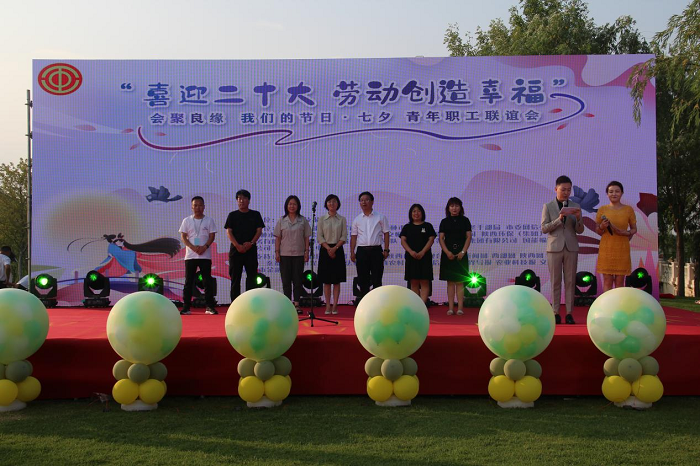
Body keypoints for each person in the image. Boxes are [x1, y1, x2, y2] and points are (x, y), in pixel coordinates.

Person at [541, 175, 584, 324]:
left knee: (570, 281)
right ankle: (555, 312)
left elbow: (580, 230)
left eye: (568, 190)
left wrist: (578, 218)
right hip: (554, 248)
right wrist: (559, 220)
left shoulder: (575, 206)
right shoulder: (548, 206)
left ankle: (569, 313)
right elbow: (544, 228)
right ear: (556, 189)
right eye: (563, 189)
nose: (566, 192)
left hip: (571, 247)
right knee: (555, 281)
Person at [595, 181, 637, 292]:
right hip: (606, 249)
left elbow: (634, 229)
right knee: (607, 281)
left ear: (622, 193)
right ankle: (607, 303)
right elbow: (598, 230)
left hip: (622, 249)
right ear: (607, 194)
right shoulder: (602, 209)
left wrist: (626, 233)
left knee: (620, 282)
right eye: (611, 192)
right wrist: (602, 226)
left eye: (617, 191)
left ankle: (618, 303)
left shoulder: (628, 209)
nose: (614, 194)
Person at [179, 196, 217, 315]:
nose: (198, 208)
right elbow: (183, 237)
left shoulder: (209, 220)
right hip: (191, 256)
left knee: (207, 281)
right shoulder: (186, 220)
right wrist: (193, 247)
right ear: (192, 207)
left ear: (204, 207)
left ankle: (209, 306)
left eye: (200, 205)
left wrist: (204, 247)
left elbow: (212, 236)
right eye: (195, 205)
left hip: (205, 255)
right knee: (188, 282)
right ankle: (186, 307)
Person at [350, 192, 390, 303]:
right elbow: (354, 237)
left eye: (367, 200)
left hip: (376, 251)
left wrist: (386, 249)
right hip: (361, 251)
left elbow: (386, 233)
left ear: (372, 202)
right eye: (361, 200)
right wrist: (352, 252)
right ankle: (365, 304)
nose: (364, 202)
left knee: (377, 279)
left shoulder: (380, 217)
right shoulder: (357, 219)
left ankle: (378, 304)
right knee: (363, 279)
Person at [225, 189, 264, 302]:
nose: (241, 201)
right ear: (237, 200)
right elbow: (229, 232)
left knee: (252, 278)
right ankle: (235, 304)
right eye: (239, 198)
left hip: (250, 250)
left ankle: (251, 303)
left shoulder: (255, 214)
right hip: (235, 251)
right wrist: (237, 245)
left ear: (249, 200)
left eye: (244, 198)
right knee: (235, 279)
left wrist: (251, 243)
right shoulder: (232, 215)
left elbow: (259, 230)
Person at [273, 195, 311, 311]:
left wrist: (306, 252)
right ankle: (287, 304)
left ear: (298, 206)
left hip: (299, 254)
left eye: (294, 204)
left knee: (297, 280)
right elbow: (278, 238)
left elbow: (306, 238)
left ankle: (297, 303)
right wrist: (277, 252)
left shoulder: (303, 220)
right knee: (286, 281)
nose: (292, 206)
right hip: (284, 255)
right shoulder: (282, 220)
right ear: (286, 206)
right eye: (290, 204)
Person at [439, 198, 472, 315]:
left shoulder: (465, 220)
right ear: (448, 208)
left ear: (460, 208)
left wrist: (463, 251)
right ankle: (450, 308)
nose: (454, 208)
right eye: (452, 206)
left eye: (457, 206)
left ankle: (460, 308)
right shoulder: (444, 221)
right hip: (448, 255)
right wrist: (447, 252)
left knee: (460, 282)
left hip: (461, 254)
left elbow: (468, 237)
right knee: (450, 282)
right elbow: (441, 238)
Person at [317, 194, 347, 315]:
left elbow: (344, 236)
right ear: (326, 204)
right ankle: (327, 305)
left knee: (336, 280)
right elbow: (320, 237)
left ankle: (335, 305)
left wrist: (334, 249)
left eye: (334, 201)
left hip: (338, 249)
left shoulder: (342, 219)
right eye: (329, 202)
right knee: (327, 281)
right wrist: (329, 249)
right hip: (325, 250)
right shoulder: (321, 219)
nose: (331, 204)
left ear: (338, 204)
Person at [400, 204, 436, 304]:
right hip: (411, 257)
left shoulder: (428, 226)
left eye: (418, 211)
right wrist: (411, 252)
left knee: (425, 281)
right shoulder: (407, 227)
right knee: (414, 281)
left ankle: (423, 305)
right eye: (414, 211)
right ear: (410, 213)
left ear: (422, 213)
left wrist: (423, 252)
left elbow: (431, 239)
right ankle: (417, 305)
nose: (416, 213)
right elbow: (403, 241)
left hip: (425, 257)